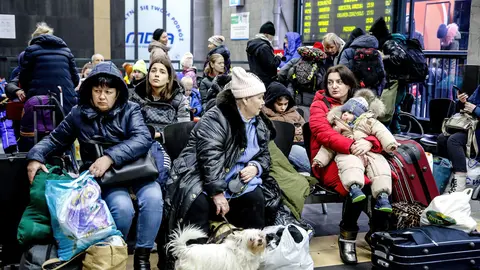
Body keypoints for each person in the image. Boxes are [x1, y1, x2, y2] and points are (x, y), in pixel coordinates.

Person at [25, 62, 163, 270]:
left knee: (154, 200)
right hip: (106, 179)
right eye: (97, 91)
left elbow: (143, 138)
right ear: (89, 91)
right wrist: (35, 156)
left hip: (137, 170)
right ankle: (115, 255)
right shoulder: (77, 114)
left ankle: (142, 258)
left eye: (108, 91)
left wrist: (110, 157)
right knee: (122, 208)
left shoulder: (131, 109)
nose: (102, 96)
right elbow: (55, 140)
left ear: (118, 93)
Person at [165, 67, 274, 236]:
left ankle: (249, 256)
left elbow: (265, 155)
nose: (263, 103)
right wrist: (217, 192)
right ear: (245, 99)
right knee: (198, 204)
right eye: (259, 98)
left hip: (238, 181)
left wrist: (256, 167)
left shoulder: (259, 123)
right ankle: (196, 256)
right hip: (200, 175)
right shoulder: (216, 118)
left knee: (256, 200)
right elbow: (210, 158)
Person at [309, 65, 388, 265]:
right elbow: (323, 134)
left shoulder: (361, 104)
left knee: (382, 179)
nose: (334, 86)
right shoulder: (320, 104)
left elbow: (375, 129)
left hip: (360, 155)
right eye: (330, 82)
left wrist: (371, 142)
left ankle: (377, 234)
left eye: (340, 82)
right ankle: (347, 234)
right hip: (327, 159)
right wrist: (353, 145)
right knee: (359, 181)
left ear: (349, 84)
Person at [312, 92, 397, 212]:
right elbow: (328, 147)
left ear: (359, 115)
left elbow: (382, 132)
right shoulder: (338, 127)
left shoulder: (368, 122)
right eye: (344, 112)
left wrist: (390, 143)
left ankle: (383, 196)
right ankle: (354, 188)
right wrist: (320, 159)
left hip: (370, 152)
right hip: (349, 152)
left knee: (380, 167)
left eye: (350, 113)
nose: (345, 115)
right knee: (349, 163)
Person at [18, 22, 79, 113]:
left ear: (34, 38)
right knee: (65, 125)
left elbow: (24, 78)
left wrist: (30, 91)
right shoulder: (66, 51)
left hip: (39, 99)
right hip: (65, 97)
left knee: (41, 125)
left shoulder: (31, 50)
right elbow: (75, 78)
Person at [130, 55, 189, 141]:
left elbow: (183, 129)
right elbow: (131, 126)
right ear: (148, 74)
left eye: (162, 72)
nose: (157, 75)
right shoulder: (136, 96)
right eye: (153, 71)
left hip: (170, 146)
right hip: (141, 143)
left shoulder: (179, 99)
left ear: (169, 78)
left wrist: (159, 135)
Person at [437, 86, 480, 194]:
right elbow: (467, 105)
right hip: (470, 128)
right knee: (442, 138)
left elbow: (474, 108)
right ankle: (446, 174)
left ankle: (460, 184)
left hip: (477, 133)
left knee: (454, 140)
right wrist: (463, 101)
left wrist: (475, 109)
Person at [263, 82, 310, 174]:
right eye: (280, 104)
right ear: (271, 102)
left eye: (286, 104)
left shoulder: (294, 113)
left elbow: (304, 128)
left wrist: (300, 131)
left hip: (300, 143)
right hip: (280, 149)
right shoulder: (265, 116)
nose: (283, 108)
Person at [246, 21, 283, 87]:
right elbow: (272, 65)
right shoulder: (264, 47)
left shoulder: (252, 45)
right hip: (266, 81)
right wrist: (278, 57)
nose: (272, 38)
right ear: (266, 34)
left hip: (256, 79)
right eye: (272, 36)